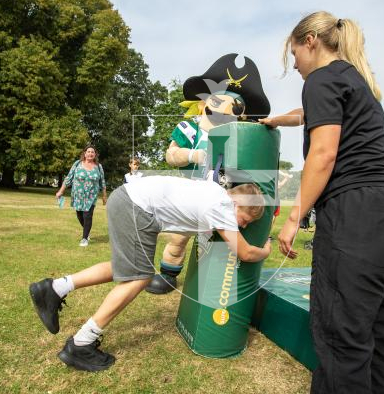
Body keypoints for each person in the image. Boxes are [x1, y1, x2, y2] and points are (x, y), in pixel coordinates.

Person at [260, 11, 384, 394]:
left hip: (359, 219)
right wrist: (274, 121)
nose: (295, 64)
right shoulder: (355, 79)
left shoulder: (320, 78)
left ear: (311, 41)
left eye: (294, 54)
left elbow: (323, 154)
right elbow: (312, 116)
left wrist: (293, 218)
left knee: (341, 342)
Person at [29, 176, 270, 371]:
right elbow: (246, 253)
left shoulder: (214, 192)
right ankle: (81, 343)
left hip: (128, 199)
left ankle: (54, 288)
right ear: (236, 204)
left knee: (125, 266)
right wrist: (265, 249)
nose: (243, 226)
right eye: (245, 220)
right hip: (137, 207)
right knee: (140, 277)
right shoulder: (222, 207)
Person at [146, 53, 270, 295]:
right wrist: (193, 156)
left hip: (221, 200)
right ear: (204, 104)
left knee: (220, 241)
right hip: (190, 196)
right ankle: (169, 273)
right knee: (180, 237)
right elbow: (170, 156)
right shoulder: (190, 130)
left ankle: (212, 278)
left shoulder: (238, 139)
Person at [56, 145, 107, 247]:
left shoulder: (98, 166)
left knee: (87, 215)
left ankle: (84, 239)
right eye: (88, 151)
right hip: (78, 194)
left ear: (95, 154)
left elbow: (102, 181)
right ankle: (87, 232)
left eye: (92, 152)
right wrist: (61, 191)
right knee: (79, 215)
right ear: (84, 153)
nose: (90, 154)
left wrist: (104, 195)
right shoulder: (77, 164)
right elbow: (69, 178)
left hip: (91, 195)